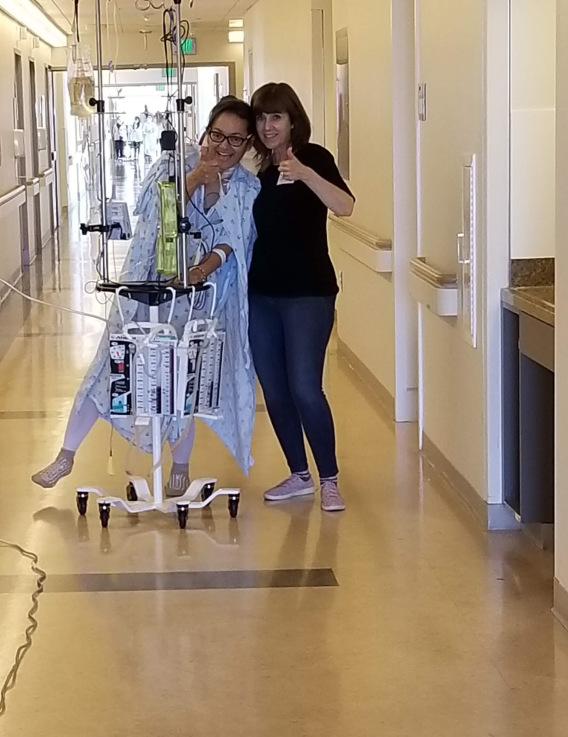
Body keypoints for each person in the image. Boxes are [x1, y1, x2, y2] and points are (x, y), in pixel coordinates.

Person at [32, 97, 260, 497]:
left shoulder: (246, 187)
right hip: (147, 286)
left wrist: (200, 269)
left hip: (200, 298)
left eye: (236, 141)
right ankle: (65, 455)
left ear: (247, 145)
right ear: (205, 131)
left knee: (181, 379)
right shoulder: (174, 164)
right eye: (217, 135)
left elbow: (234, 241)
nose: (224, 147)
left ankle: (180, 467)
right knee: (111, 366)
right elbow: (152, 214)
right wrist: (194, 179)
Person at [249, 82, 355, 512]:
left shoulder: (313, 158)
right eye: (261, 117)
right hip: (262, 295)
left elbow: (345, 206)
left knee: (306, 388)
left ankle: (329, 479)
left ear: (293, 120)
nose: (268, 125)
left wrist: (306, 174)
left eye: (276, 117)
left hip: (308, 293)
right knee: (274, 390)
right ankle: (299, 475)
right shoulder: (256, 170)